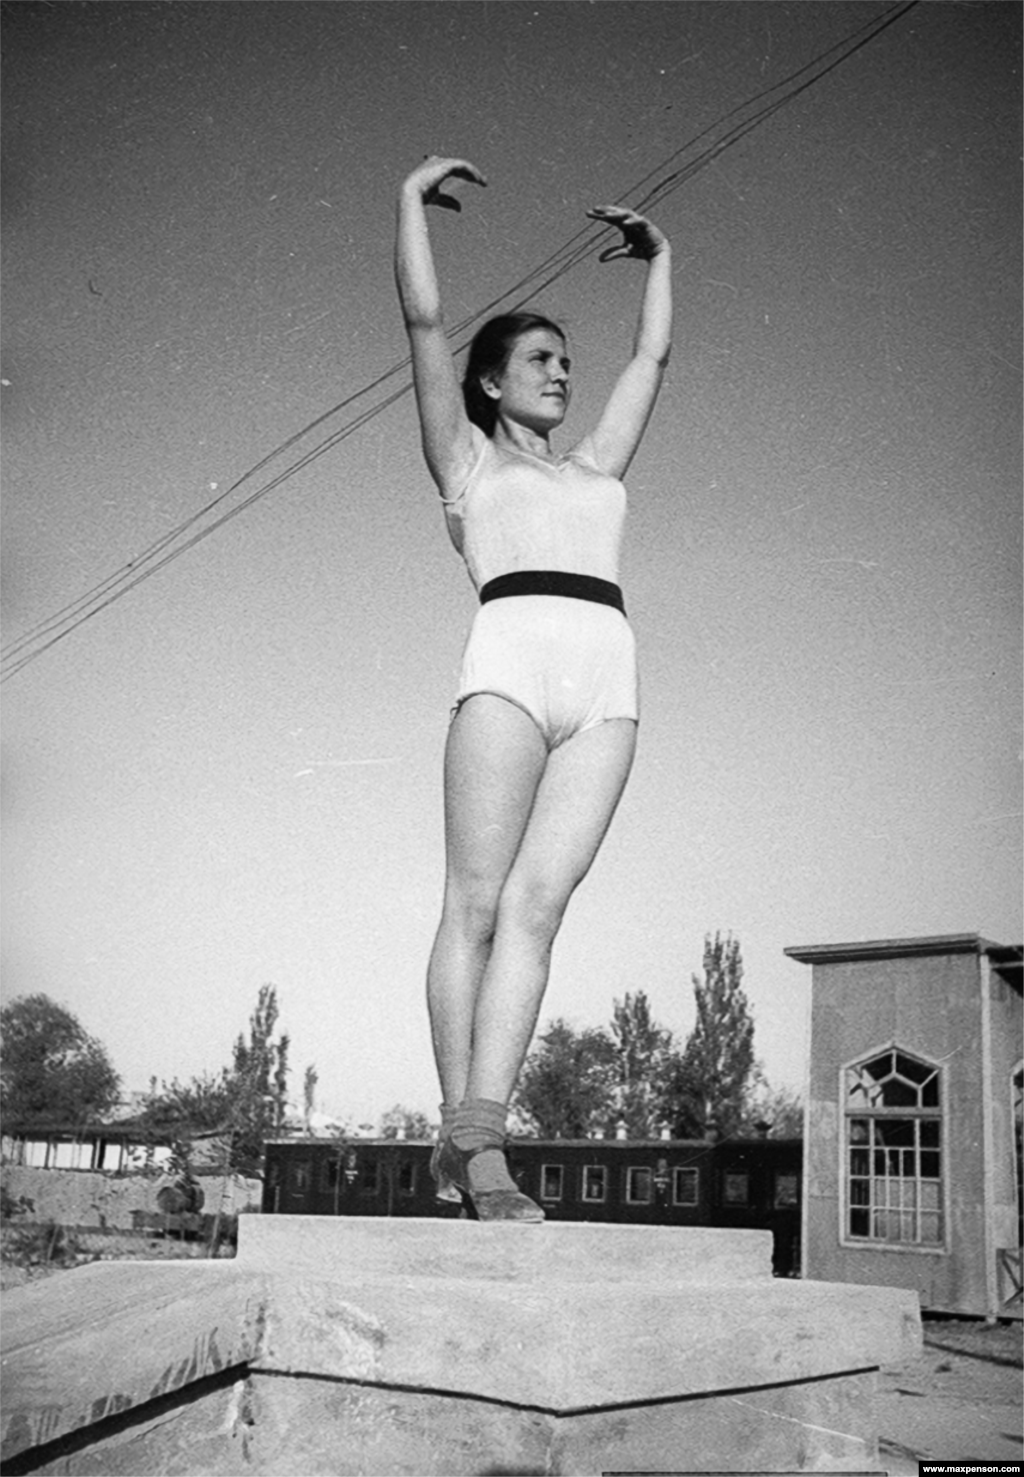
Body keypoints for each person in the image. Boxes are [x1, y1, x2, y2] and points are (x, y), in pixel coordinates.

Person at [395, 155, 672, 1221]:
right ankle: (473, 1143)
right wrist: (409, 204)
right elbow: (424, 330)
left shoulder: (596, 469)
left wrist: (661, 258)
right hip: (507, 666)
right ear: (492, 380)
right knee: (473, 901)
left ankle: (479, 1131)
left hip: (608, 675)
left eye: (567, 359)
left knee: (538, 905)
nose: (563, 372)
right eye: (543, 359)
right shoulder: (466, 464)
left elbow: (653, 353)